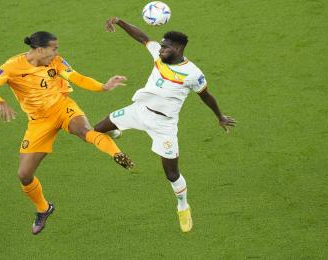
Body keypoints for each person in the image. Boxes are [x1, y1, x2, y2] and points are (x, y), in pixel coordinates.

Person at [0, 31, 134, 235]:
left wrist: (103, 87)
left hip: (62, 107)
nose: (57, 52)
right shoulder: (12, 66)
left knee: (85, 131)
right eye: (54, 48)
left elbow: (76, 77)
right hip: (39, 122)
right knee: (24, 175)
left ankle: (117, 154)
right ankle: (44, 209)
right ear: (40, 49)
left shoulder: (56, 61)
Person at [94, 18, 236, 233]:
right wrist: (119, 22)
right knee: (97, 129)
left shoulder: (193, 73)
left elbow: (206, 96)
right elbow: (142, 37)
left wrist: (220, 116)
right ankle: (116, 132)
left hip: (164, 125)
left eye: (165, 47)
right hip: (138, 110)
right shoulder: (158, 55)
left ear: (178, 48)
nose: (160, 50)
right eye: (161, 46)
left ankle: (183, 206)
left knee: (171, 174)